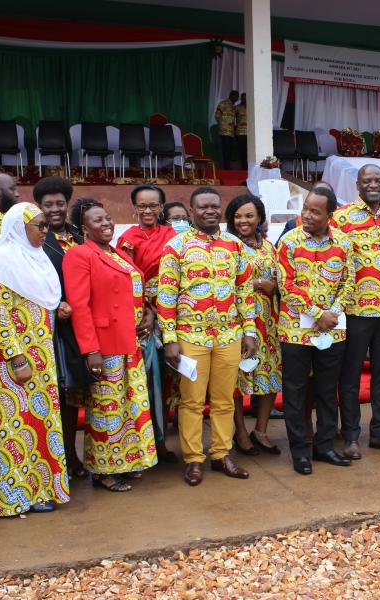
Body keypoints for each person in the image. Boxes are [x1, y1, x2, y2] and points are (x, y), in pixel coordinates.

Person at [157, 187, 257, 486]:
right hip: (191, 337)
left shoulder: (234, 246)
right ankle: (193, 459)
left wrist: (249, 330)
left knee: (224, 399)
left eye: (215, 206)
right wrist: (171, 338)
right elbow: (166, 294)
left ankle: (221, 454)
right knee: (191, 401)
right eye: (203, 207)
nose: (210, 211)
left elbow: (244, 290)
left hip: (229, 335)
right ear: (192, 210)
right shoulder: (177, 246)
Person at [0, 202, 69, 515]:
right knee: (13, 424)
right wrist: (16, 357)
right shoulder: (1, 261)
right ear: (19, 227)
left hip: (40, 355)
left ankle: (38, 488)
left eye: (46, 226)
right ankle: (12, 496)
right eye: (39, 225)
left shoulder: (36, 259)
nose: (45, 231)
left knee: (37, 421)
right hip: (12, 359)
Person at [63, 200, 158, 491]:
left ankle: (127, 462)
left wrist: (146, 313)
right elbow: (79, 305)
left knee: (130, 406)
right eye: (97, 220)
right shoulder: (79, 255)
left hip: (129, 341)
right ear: (84, 228)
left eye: (107, 218)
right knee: (107, 409)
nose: (106, 223)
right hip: (105, 345)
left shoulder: (117, 253)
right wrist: (91, 350)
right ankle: (104, 471)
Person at [278, 187, 355, 475]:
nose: (307, 215)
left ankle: (324, 446)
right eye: (306, 208)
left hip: (332, 331)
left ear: (329, 215)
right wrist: (318, 314)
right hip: (296, 331)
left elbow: (350, 282)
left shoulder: (345, 244)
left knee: (326, 390)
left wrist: (333, 313)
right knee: (295, 392)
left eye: (315, 211)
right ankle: (299, 450)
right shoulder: (288, 242)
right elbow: (287, 286)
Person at [334, 165, 380, 459]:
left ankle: (379, 432)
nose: (374, 184)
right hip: (355, 310)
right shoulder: (341, 218)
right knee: (350, 376)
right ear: (358, 185)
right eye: (368, 180)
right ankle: (350, 435)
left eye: (379, 180)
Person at [34, 177, 92, 479]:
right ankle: (55, 463)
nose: (55, 209)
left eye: (60, 203)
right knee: (56, 392)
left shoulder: (78, 235)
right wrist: (54, 305)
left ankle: (71, 456)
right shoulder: (36, 239)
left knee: (74, 395)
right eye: (48, 205)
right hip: (52, 327)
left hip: (82, 325)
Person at [116, 185, 178, 461]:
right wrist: (148, 311)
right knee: (149, 382)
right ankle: (147, 444)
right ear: (134, 208)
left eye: (153, 206)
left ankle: (164, 441)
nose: (148, 211)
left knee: (168, 382)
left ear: (162, 207)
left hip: (175, 314)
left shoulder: (173, 236)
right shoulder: (127, 240)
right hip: (143, 319)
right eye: (142, 206)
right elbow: (126, 280)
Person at [226, 194, 282, 455]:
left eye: (249, 215)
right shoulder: (226, 246)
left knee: (269, 375)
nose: (243, 221)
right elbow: (224, 282)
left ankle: (260, 430)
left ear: (259, 217)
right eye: (238, 216)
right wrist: (260, 284)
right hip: (238, 322)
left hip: (268, 323)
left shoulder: (269, 247)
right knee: (237, 380)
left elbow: (280, 281)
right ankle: (240, 432)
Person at [215, 90, 239, 169]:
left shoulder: (234, 106)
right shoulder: (223, 103)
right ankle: (226, 167)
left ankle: (227, 166)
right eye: (235, 96)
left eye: (237, 96)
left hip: (231, 132)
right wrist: (223, 124)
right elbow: (217, 115)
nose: (237, 98)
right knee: (225, 149)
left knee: (229, 150)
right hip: (224, 131)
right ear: (231, 95)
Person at [236, 93, 248, 170]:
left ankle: (247, 167)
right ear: (241, 98)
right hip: (240, 132)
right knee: (241, 150)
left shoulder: (251, 107)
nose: (245, 99)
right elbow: (233, 119)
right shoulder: (237, 107)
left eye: (246, 98)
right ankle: (242, 167)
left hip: (249, 134)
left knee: (248, 151)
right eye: (243, 98)